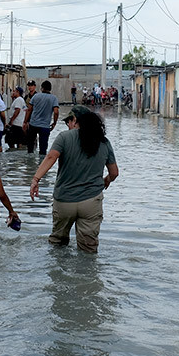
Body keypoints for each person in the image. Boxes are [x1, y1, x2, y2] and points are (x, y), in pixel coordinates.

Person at [29, 106, 119, 253]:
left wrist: (35, 179)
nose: (68, 126)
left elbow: (51, 157)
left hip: (64, 201)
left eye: (68, 122)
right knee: (88, 250)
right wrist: (107, 179)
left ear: (75, 120)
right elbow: (114, 172)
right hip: (91, 202)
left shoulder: (64, 137)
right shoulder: (103, 142)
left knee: (58, 244)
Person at [22, 80, 59, 155]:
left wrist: (25, 122)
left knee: (30, 148)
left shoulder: (36, 96)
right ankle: (41, 165)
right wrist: (54, 123)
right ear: (50, 89)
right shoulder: (53, 98)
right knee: (43, 149)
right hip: (45, 126)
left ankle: (29, 165)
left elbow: (29, 109)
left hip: (33, 124)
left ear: (42, 88)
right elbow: (56, 112)